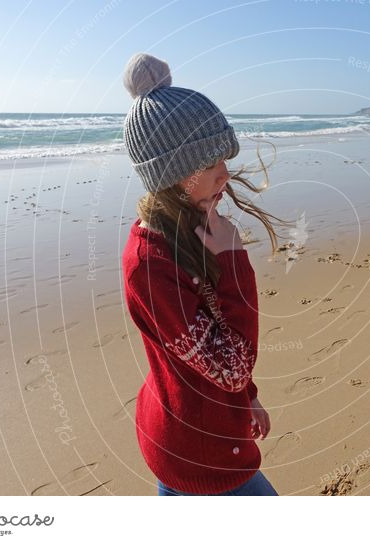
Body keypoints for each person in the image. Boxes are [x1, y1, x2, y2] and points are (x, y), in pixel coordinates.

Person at [120, 53, 292, 496]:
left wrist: (247, 395)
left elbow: (220, 342)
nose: (225, 173)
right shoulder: (150, 264)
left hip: (200, 429)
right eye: (212, 162)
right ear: (173, 174)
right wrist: (234, 261)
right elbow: (229, 366)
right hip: (195, 448)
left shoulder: (191, 229)